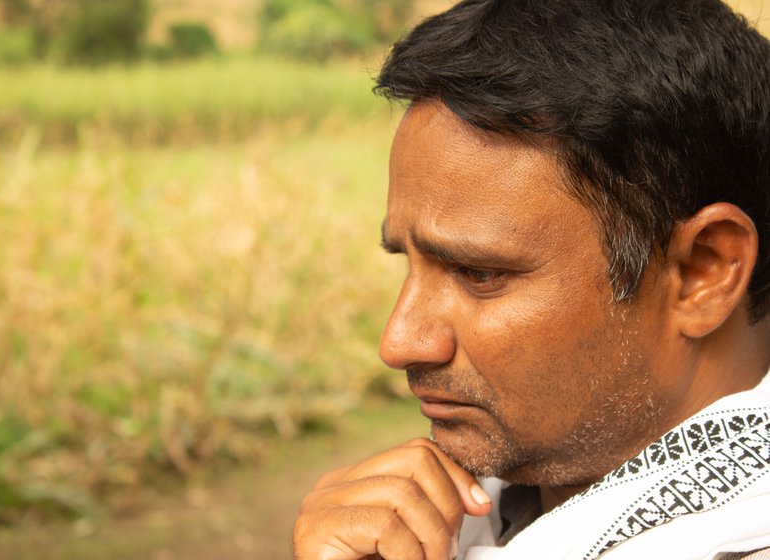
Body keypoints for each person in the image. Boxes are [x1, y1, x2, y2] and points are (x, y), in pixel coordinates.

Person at [292, 0, 770, 558]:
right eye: (406, 260)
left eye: (480, 273)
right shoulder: (482, 518)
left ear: (702, 273)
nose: (399, 343)